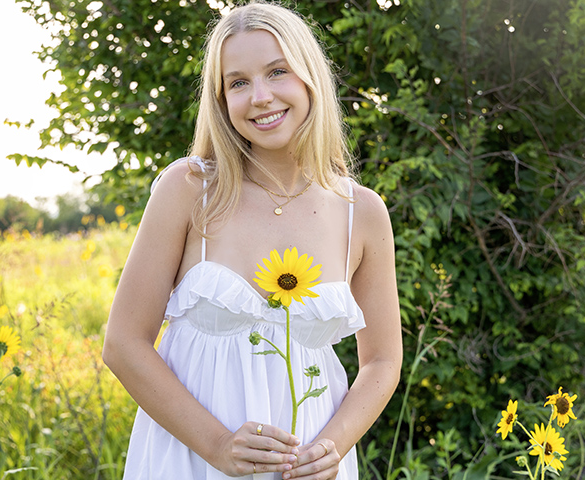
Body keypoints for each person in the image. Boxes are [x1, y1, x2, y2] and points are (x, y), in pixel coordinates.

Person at [102, 2, 402, 479]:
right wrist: (218, 446)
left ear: (310, 79)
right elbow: (123, 344)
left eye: (277, 72)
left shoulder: (360, 213)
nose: (260, 96)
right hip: (192, 458)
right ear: (220, 101)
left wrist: (334, 445)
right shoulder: (190, 189)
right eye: (238, 82)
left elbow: (383, 361)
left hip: (307, 464)